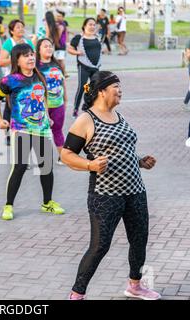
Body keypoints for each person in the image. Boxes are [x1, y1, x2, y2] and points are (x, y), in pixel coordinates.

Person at [61, 71, 161, 300]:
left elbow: (121, 151)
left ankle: (135, 285)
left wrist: (140, 161)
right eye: (116, 85)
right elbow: (66, 155)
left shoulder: (118, 114)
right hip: (105, 195)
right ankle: (77, 294)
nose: (120, 90)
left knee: (139, 240)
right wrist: (90, 165)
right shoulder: (86, 119)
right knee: (99, 246)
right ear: (101, 91)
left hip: (135, 190)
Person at [0, 43, 65, 221]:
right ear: (17, 59)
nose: (31, 58)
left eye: (32, 54)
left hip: (42, 129)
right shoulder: (10, 80)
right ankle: (8, 206)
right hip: (21, 129)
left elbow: (43, 99)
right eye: (26, 55)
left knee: (46, 166)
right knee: (20, 167)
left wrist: (47, 116)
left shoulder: (39, 76)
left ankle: (47, 203)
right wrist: (0, 120)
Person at [0, 19, 35, 145]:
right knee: (10, 105)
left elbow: (34, 58)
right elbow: (1, 62)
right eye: (18, 27)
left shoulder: (28, 42)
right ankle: (7, 133)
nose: (21, 29)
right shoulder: (9, 43)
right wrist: (16, 58)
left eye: (22, 26)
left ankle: (28, 129)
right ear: (12, 30)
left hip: (28, 79)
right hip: (13, 79)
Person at [36, 38, 67, 165]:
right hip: (42, 107)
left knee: (58, 130)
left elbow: (62, 83)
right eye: (45, 46)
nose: (49, 48)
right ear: (38, 50)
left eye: (50, 46)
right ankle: (26, 160)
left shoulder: (57, 64)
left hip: (58, 105)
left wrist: (65, 101)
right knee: (38, 134)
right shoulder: (36, 67)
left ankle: (63, 157)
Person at [68, 18, 102, 118]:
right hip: (83, 66)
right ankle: (75, 109)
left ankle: (89, 107)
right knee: (83, 86)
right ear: (84, 26)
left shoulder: (97, 37)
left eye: (93, 25)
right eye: (90, 24)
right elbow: (70, 49)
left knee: (93, 88)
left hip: (95, 67)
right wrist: (77, 52)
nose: (92, 26)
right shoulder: (79, 37)